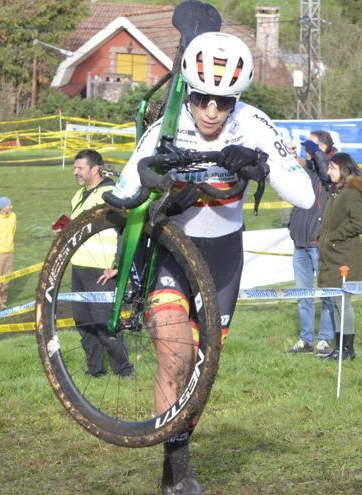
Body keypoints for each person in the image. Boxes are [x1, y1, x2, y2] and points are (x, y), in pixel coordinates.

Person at [111, 32, 315, 495]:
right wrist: (154, 180)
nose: (210, 111)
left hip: (223, 257)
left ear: (235, 100)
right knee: (174, 355)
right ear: (189, 92)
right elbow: (123, 191)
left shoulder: (253, 123)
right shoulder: (168, 123)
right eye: (202, 98)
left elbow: (304, 194)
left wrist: (261, 163)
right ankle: (179, 473)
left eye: (223, 102)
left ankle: (173, 465)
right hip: (173, 251)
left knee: (200, 373)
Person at [64, 148, 133, 379]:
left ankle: (124, 371)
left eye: (80, 168)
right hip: (79, 268)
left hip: (102, 270)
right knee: (84, 324)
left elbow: (126, 231)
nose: (76, 172)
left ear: (95, 169)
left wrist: (117, 265)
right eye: (75, 168)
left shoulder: (111, 194)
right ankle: (95, 371)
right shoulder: (78, 195)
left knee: (105, 325)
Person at [318, 153, 362, 361]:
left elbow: (359, 224)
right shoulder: (337, 191)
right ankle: (339, 347)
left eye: (332, 168)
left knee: (342, 304)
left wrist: (333, 237)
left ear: (342, 169)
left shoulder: (351, 192)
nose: (328, 172)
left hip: (344, 257)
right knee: (335, 303)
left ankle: (347, 349)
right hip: (333, 256)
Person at [287, 130, 335, 356]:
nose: (308, 149)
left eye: (312, 146)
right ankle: (305, 339)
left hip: (320, 243)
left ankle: (325, 339)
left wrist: (316, 152)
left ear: (324, 148)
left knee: (327, 294)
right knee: (303, 295)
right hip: (300, 242)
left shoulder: (333, 170)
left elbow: (326, 170)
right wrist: (291, 154)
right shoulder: (307, 169)